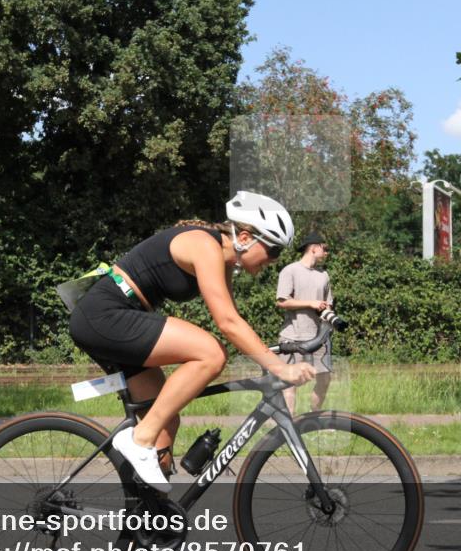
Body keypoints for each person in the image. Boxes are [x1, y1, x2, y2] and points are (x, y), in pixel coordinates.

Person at [69, 191, 316, 492]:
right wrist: (278, 367)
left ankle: (148, 523)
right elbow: (227, 324)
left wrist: (268, 352)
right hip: (105, 314)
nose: (275, 260)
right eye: (274, 250)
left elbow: (231, 318)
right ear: (247, 237)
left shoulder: (221, 257)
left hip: (116, 318)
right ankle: (139, 439)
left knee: (165, 422)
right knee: (211, 354)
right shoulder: (205, 246)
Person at [276, 230, 333, 416]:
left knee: (324, 380)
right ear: (314, 248)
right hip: (292, 337)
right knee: (290, 383)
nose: (327, 252)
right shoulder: (290, 270)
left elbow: (328, 304)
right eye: (325, 249)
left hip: (318, 338)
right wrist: (310, 303)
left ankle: (315, 416)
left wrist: (327, 313)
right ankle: (288, 425)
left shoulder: (323, 275)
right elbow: (282, 301)